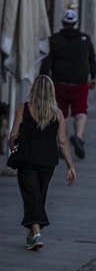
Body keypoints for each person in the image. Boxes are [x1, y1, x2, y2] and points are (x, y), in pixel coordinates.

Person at [8, 75, 77, 251]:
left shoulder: (23, 108)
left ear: (34, 90)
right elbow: (63, 142)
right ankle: (31, 234)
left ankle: (37, 234)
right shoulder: (58, 114)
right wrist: (70, 166)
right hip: (48, 162)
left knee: (31, 196)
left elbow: (13, 136)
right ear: (51, 91)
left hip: (27, 160)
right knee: (38, 197)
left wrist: (14, 147)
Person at [39, 9, 96, 159]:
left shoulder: (54, 39)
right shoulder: (85, 38)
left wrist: (43, 79)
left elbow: (46, 61)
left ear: (62, 22)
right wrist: (93, 77)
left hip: (60, 82)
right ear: (75, 22)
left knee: (60, 114)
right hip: (80, 83)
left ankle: (61, 143)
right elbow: (92, 60)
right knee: (80, 112)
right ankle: (78, 136)